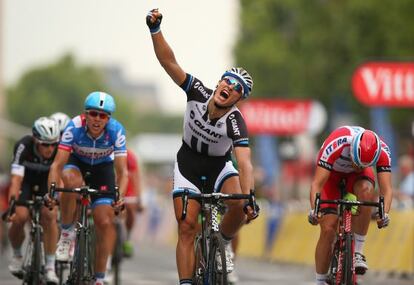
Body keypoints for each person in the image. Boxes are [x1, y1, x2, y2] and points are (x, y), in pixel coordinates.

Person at [146, 9, 259, 285]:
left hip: (219, 167)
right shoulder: (196, 91)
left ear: (238, 99)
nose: (230, 87)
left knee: (238, 204)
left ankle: (225, 245)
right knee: (187, 228)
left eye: (238, 89)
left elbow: (244, 162)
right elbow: (168, 62)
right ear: (219, 82)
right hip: (188, 165)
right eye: (228, 81)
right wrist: (155, 29)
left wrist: (250, 197)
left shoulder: (235, 121)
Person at [47, 91, 128, 285]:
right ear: (86, 114)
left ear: (108, 118)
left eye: (102, 116)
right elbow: (57, 166)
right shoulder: (74, 126)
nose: (97, 119)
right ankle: (66, 234)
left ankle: (99, 278)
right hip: (77, 164)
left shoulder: (116, 130)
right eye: (93, 114)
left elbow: (123, 172)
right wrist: (51, 191)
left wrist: (120, 197)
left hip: (103, 169)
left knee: (105, 222)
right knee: (71, 184)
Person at [308, 126, 393, 285]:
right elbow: (316, 184)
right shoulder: (337, 143)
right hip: (331, 177)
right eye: (357, 162)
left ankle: (358, 253)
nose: (358, 166)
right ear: (352, 149)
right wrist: (315, 210)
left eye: (364, 164)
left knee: (367, 193)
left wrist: (384, 213)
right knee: (328, 228)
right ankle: (320, 281)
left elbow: (386, 189)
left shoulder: (383, 150)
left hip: (358, 179)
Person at [7, 117, 61, 284]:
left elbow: (61, 177)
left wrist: (57, 199)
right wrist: (13, 205)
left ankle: (50, 266)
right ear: (36, 140)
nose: (50, 148)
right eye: (45, 144)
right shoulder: (23, 146)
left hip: (47, 183)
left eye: (53, 144)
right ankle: (17, 255)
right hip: (26, 182)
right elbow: (16, 179)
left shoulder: (60, 149)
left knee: (50, 216)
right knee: (20, 217)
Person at [122, 148, 143, 257]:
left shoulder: (129, 155)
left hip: (128, 189)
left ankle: (128, 237)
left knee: (130, 209)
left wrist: (139, 198)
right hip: (112, 185)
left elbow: (135, 177)